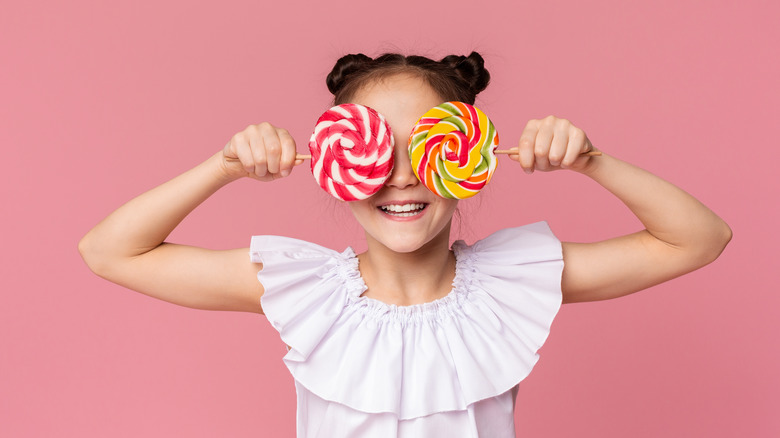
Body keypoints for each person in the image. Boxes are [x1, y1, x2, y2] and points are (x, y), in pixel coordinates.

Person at [78, 52, 731, 437]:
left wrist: (591, 161)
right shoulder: (301, 288)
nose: (400, 173)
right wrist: (222, 166)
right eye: (374, 150)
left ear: (468, 158)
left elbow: (699, 239)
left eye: (426, 147)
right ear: (333, 164)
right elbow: (110, 251)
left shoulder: (513, 284)